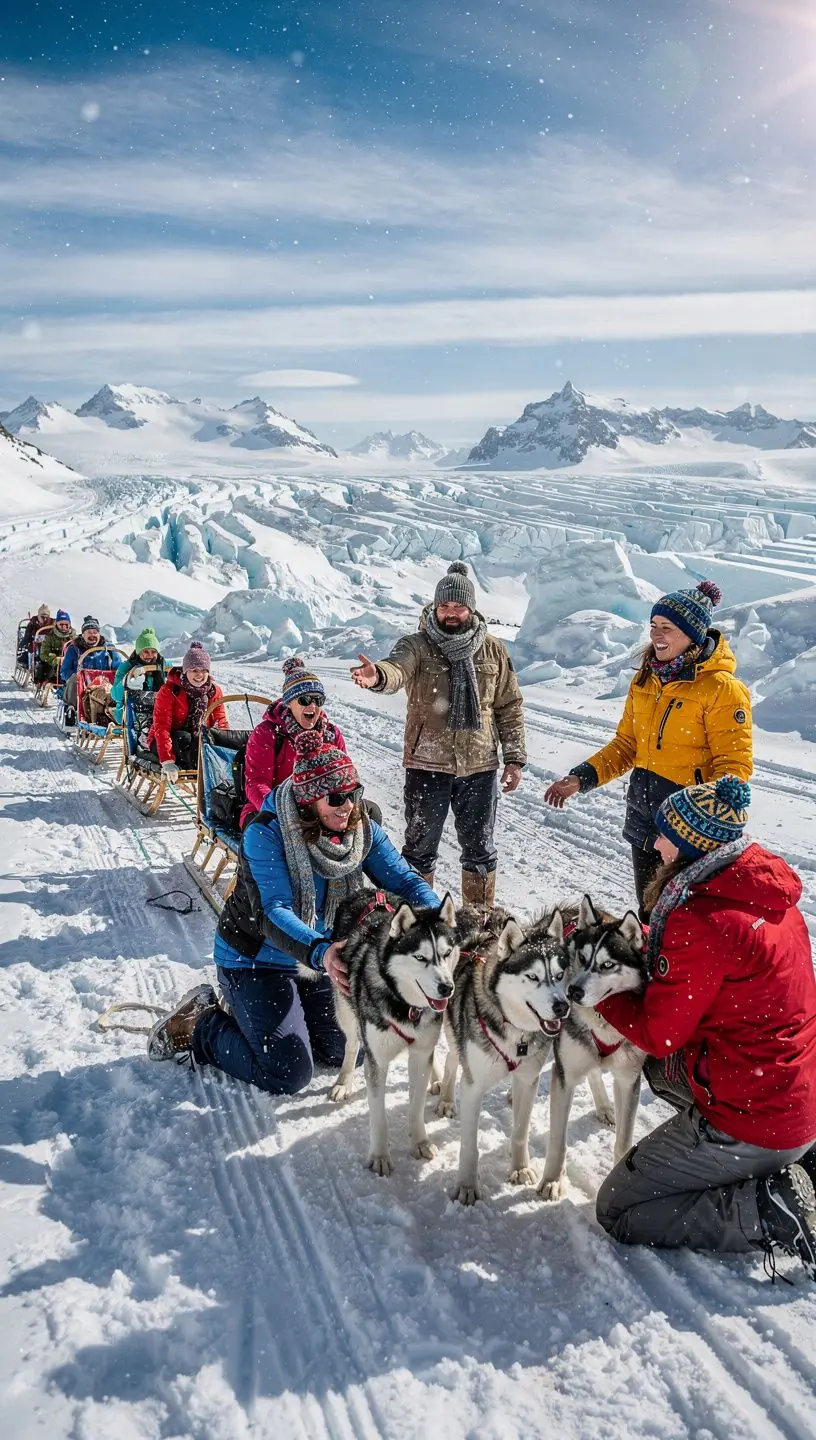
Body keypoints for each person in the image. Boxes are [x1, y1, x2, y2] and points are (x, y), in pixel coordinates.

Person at [593, 776, 816, 1280]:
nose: (653, 845)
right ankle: (794, 1166)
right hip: (795, 1101)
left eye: (663, 835)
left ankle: (768, 1209)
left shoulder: (700, 919)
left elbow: (657, 1034)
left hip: (752, 1118)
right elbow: (712, 963)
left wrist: (597, 993)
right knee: (664, 1071)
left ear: (693, 842)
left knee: (617, 1211)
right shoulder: (766, 900)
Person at [148, 730, 441, 1093]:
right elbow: (274, 912)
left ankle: (286, 1017)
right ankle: (200, 1025)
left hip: (317, 960)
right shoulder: (267, 832)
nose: (347, 805)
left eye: (353, 794)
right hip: (257, 959)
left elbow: (407, 882)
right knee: (288, 1072)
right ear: (308, 801)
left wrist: (437, 922)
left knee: (349, 1047)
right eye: (335, 797)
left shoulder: (361, 828)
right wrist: (321, 952)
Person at [544, 579, 753, 918]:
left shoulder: (722, 689)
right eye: (654, 626)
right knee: (649, 913)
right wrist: (581, 778)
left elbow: (734, 768)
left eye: (667, 628)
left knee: (686, 920)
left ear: (692, 634)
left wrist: (701, 821)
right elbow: (627, 745)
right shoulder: (646, 678)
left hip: (689, 828)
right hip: (645, 817)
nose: (657, 635)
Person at [350, 561, 526, 908]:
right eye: (444, 605)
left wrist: (515, 758)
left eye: (458, 606)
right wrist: (378, 677)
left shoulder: (492, 650)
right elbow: (396, 668)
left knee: (479, 851)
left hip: (479, 765)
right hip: (426, 763)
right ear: (434, 606)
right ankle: (417, 922)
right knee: (419, 850)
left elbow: (508, 705)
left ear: (471, 608)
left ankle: (479, 926)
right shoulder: (416, 645)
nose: (451, 613)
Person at [241, 655, 347, 828]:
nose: (312, 707)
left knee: (369, 815)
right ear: (289, 702)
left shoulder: (331, 734)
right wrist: (284, 811)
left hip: (321, 810)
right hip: (270, 810)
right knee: (274, 834)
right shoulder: (267, 734)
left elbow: (343, 780)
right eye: (304, 700)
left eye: (318, 700)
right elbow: (256, 784)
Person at [147, 641, 227, 780]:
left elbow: (221, 722)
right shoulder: (169, 690)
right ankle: (200, 769)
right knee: (186, 738)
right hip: (165, 742)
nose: (199, 675)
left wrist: (224, 751)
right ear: (185, 671)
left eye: (204, 670)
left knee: (205, 741)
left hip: (196, 739)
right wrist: (167, 760)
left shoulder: (214, 691)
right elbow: (161, 726)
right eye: (194, 670)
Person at [60, 616, 119, 725]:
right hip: (81, 688)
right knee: (74, 678)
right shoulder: (74, 649)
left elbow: (119, 668)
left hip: (104, 689)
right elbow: (64, 672)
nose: (92, 635)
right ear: (83, 635)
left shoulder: (109, 650)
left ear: (99, 634)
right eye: (89, 632)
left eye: (95, 632)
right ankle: (71, 710)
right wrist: (77, 677)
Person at [111, 627, 167, 725]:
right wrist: (126, 681)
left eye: (153, 652)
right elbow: (115, 695)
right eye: (146, 652)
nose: (150, 655)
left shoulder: (164, 666)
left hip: (158, 710)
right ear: (139, 652)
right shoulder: (126, 667)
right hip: (129, 713)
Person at [39, 611, 75, 683]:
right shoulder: (50, 637)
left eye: (66, 624)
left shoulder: (74, 637)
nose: (64, 627)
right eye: (61, 624)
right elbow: (44, 654)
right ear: (57, 624)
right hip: (54, 665)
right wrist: (56, 659)